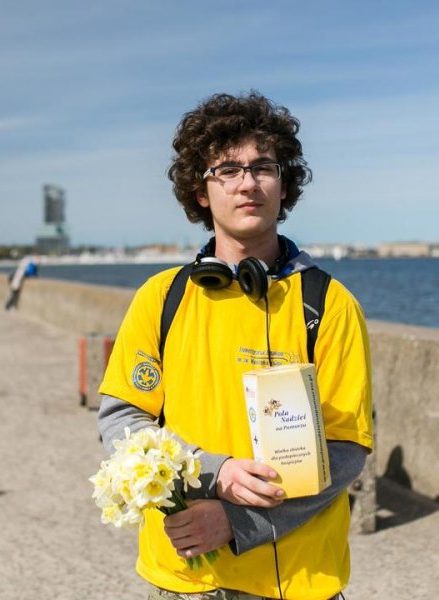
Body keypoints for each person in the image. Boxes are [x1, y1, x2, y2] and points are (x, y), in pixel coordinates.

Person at [97, 92, 373, 600]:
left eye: (263, 167)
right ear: (201, 193)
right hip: (183, 578)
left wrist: (237, 520)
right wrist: (213, 472)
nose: (248, 182)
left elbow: (348, 448)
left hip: (298, 581)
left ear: (283, 183)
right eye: (227, 170)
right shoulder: (162, 298)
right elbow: (122, 419)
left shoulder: (330, 304)